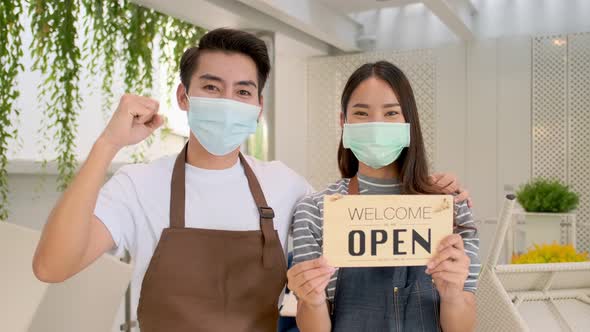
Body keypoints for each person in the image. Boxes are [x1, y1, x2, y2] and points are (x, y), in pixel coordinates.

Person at [32, 28, 470, 331]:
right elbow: (53, 265)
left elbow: (366, 206)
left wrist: (435, 192)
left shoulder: (289, 188)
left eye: (242, 91)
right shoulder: (139, 184)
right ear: (184, 97)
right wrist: (107, 145)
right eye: (211, 87)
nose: (228, 100)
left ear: (258, 106)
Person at [287, 61, 479, 332]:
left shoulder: (449, 208)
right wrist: (313, 301)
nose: (376, 125)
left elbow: (463, 327)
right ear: (343, 122)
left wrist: (453, 295)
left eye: (390, 113)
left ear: (408, 122)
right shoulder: (316, 210)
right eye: (362, 113)